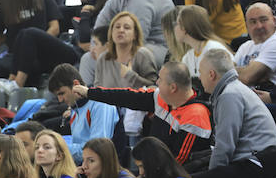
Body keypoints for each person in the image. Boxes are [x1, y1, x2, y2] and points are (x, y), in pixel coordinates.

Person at [193, 49, 276, 178]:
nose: (199, 77)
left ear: (211, 74)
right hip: (259, 160)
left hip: (257, 164)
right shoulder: (234, 89)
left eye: (200, 72)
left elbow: (225, 147)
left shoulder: (229, 95)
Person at [82, 61, 212, 166]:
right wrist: (89, 93)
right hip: (152, 168)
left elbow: (179, 162)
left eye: (160, 79)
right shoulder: (161, 98)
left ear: (173, 88)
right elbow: (126, 97)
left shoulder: (196, 116)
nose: (156, 83)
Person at [48, 63, 119, 163]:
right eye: (57, 96)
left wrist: (58, 148)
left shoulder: (101, 104)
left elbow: (96, 151)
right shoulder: (75, 108)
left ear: (76, 84)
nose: (60, 100)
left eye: (61, 93)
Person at [93, 11, 158, 88]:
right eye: (117, 27)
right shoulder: (103, 58)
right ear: (111, 32)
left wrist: (131, 77)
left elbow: (153, 88)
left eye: (126, 27)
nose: (121, 30)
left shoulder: (143, 55)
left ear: (135, 35)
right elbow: (97, 89)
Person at [175, 4, 234, 81]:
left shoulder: (215, 49)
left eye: (177, 24)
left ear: (185, 28)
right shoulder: (187, 57)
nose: (175, 28)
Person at [234, 3, 276, 90]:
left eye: (263, 20)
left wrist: (238, 71)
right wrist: (249, 70)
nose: (259, 26)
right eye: (253, 22)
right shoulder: (245, 46)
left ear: (274, 21)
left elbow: (247, 77)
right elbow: (224, 74)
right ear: (246, 25)